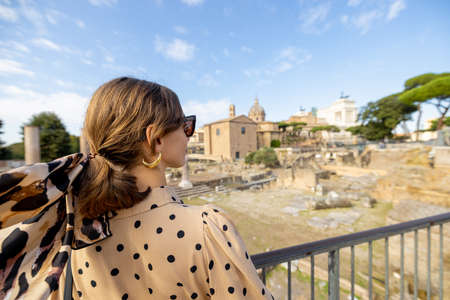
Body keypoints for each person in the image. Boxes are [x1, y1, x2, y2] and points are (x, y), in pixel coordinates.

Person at [0, 77, 273, 299]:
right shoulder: (206, 229)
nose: (189, 134)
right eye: (186, 125)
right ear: (155, 139)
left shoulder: (72, 237)